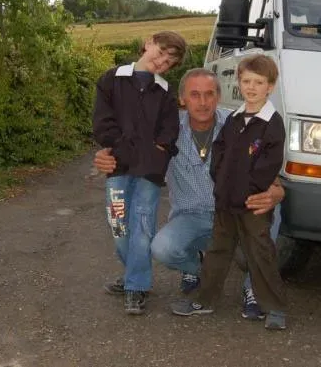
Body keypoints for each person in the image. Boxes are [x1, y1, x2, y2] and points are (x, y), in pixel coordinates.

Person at [94, 67, 284, 320]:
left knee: (271, 209)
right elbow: (130, 151)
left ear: (219, 96)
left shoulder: (241, 123)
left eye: (209, 94)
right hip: (191, 217)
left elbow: (270, 167)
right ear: (182, 99)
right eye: (195, 95)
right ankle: (201, 269)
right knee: (162, 248)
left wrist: (276, 191)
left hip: (233, 212)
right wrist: (104, 157)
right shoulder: (166, 131)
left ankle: (253, 290)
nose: (203, 102)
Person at [171, 54, 288, 330]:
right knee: (217, 251)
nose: (251, 87)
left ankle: (274, 307)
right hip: (225, 202)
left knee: (260, 253)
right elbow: (219, 153)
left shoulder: (271, 123)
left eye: (258, 82)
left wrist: (248, 190)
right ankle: (204, 299)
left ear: (270, 86)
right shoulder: (234, 119)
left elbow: (269, 164)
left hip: (251, 203)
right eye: (246, 81)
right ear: (238, 83)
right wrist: (221, 181)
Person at [92, 30, 187, 315]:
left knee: (143, 227)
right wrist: (120, 149)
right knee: (119, 225)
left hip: (150, 172)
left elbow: (169, 132)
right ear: (148, 44)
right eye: (160, 53)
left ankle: (137, 287)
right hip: (118, 167)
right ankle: (134, 272)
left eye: (169, 62)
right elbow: (103, 123)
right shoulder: (111, 79)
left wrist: (157, 151)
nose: (161, 62)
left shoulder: (165, 92)